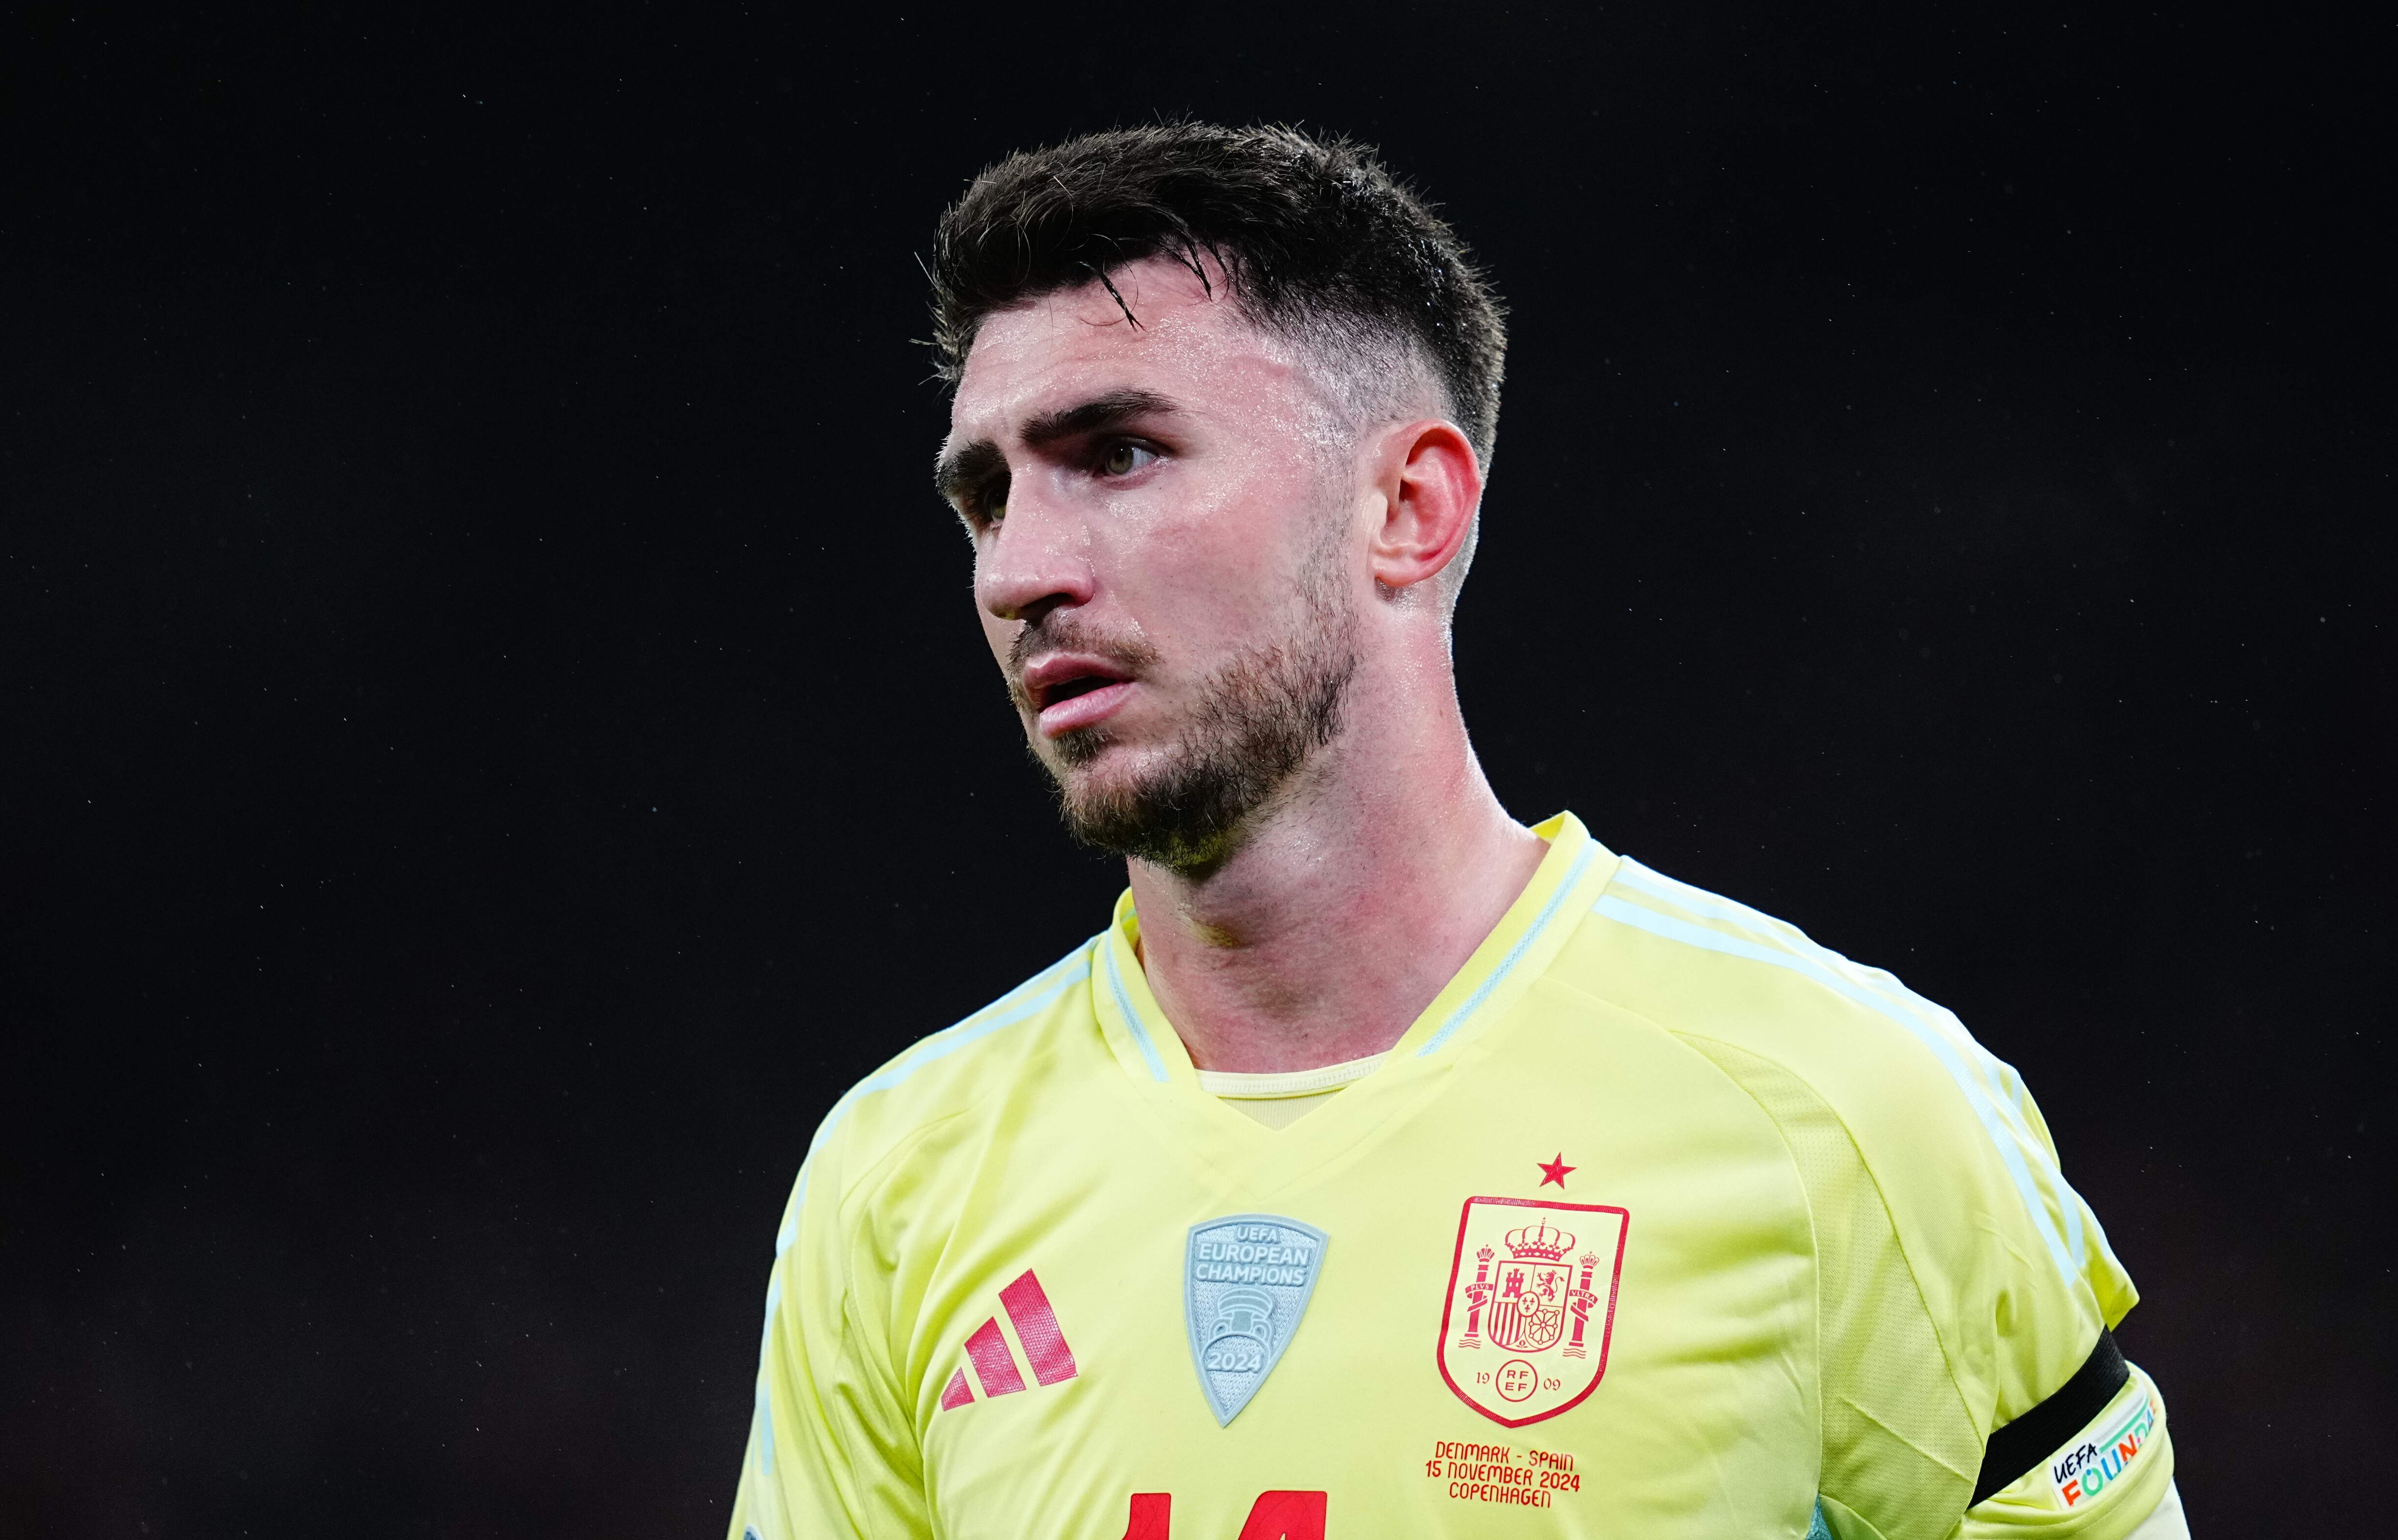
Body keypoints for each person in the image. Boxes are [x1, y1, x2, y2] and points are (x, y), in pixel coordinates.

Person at [728, 123, 2186, 1539]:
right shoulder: (897, 1178)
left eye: (1116, 453)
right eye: (987, 495)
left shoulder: (1844, 1107)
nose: (1019, 572)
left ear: (1407, 507)